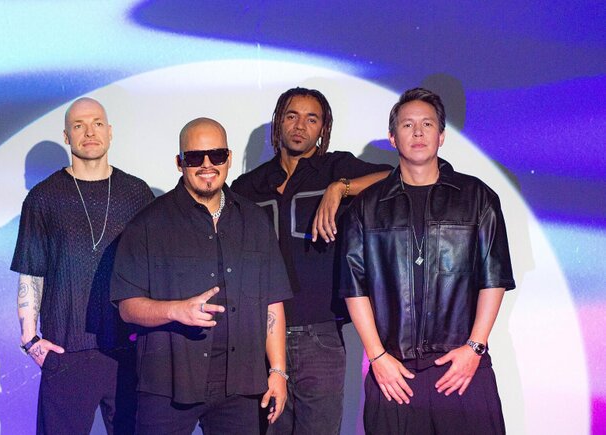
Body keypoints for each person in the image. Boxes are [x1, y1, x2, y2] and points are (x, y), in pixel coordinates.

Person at [340, 88, 515, 434]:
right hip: (395, 372)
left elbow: (493, 279)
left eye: (427, 124)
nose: (418, 132)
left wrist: (474, 348)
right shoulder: (366, 206)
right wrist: (377, 357)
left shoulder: (477, 198)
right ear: (393, 137)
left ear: (441, 136)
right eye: (407, 125)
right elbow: (354, 287)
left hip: (462, 366)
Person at [110, 118, 292, 435]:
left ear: (228, 158)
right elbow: (127, 306)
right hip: (168, 384)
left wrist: (278, 370)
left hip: (241, 386)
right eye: (195, 157)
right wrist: (176, 310)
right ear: (180, 162)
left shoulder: (255, 220)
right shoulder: (148, 224)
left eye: (216, 155)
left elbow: (272, 300)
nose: (207, 165)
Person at [231, 87, 391, 434]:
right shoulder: (249, 186)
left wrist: (340, 188)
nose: (300, 126)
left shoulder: (334, 168)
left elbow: (394, 178)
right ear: (279, 122)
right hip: (262, 334)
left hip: (321, 333)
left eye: (311, 119)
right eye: (292, 116)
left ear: (323, 128)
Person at [11, 97, 154, 434]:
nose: (90, 132)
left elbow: (154, 271)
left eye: (97, 123)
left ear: (110, 131)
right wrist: (30, 340)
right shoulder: (43, 198)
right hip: (66, 352)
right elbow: (31, 272)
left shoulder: (137, 193)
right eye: (79, 125)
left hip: (128, 350)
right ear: (67, 136)